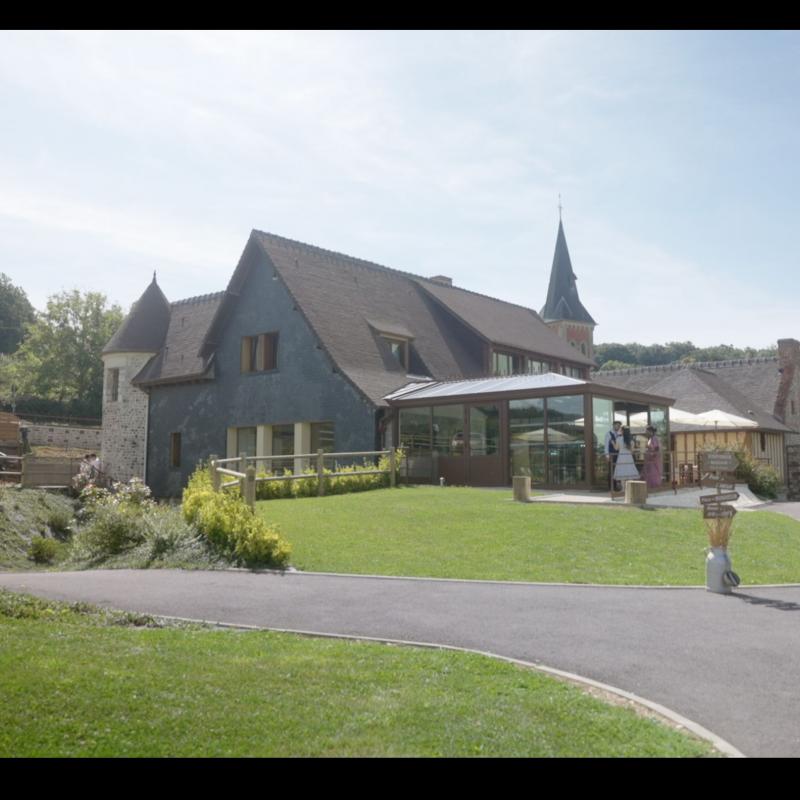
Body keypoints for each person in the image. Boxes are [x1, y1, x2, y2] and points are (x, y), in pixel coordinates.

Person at [605, 420, 622, 492]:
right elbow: (606, 445)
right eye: (617, 425)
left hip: (618, 455)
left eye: (619, 426)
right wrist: (607, 456)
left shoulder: (619, 434)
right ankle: (611, 488)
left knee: (617, 471)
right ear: (613, 425)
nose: (618, 427)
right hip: (612, 455)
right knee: (611, 471)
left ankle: (617, 487)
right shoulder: (608, 434)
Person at [642, 425, 662, 489]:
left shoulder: (654, 438)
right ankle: (650, 486)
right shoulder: (650, 439)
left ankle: (654, 485)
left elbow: (656, 448)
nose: (646, 433)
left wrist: (652, 453)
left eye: (647, 431)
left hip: (653, 460)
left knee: (653, 472)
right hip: (650, 459)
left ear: (651, 432)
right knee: (650, 472)